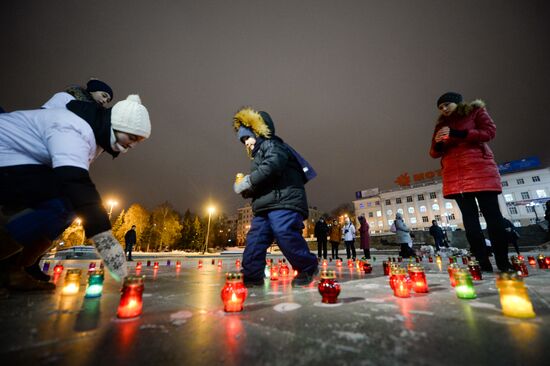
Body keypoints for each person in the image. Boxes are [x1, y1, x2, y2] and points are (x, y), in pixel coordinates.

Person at [0, 94, 151, 291]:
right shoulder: (74, 128)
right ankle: (7, 266)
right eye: (131, 137)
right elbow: (75, 181)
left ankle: (16, 268)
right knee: (65, 203)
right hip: (7, 156)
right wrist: (104, 239)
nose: (132, 145)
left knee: (66, 208)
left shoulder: (94, 137)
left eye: (138, 141)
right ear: (116, 124)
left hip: (19, 161)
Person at [232, 107, 318, 286]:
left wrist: (249, 180)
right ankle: (252, 274)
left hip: (285, 202)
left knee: (284, 231)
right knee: (255, 238)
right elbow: (262, 180)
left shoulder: (273, 145)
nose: (246, 143)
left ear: (257, 132)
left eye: (247, 137)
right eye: (243, 141)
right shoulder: (257, 157)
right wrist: (245, 189)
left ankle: (307, 266)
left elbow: (273, 165)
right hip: (265, 206)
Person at [430, 92, 512, 272]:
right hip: (456, 177)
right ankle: (483, 262)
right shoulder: (441, 125)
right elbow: (434, 152)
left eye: (446, 105)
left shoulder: (475, 112)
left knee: (494, 219)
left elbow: (489, 132)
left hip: (480, 171)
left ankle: (503, 262)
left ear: (458, 103)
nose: (443, 109)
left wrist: (458, 133)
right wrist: (438, 143)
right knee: (470, 222)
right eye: (440, 107)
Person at [42, 79, 113, 109]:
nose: (104, 100)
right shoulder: (65, 97)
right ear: (92, 90)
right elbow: (43, 113)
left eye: (108, 100)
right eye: (104, 96)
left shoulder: (96, 117)